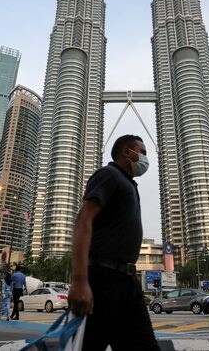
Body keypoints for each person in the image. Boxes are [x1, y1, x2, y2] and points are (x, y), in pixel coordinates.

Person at [67, 134, 159, 350]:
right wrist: (80, 280)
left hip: (127, 283)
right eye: (142, 152)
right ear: (127, 152)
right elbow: (84, 219)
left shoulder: (129, 184)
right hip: (102, 281)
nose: (145, 159)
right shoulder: (109, 175)